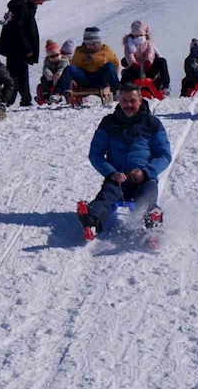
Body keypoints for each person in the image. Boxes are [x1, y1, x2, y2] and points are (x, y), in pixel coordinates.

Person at [78, 84, 172, 238]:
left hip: (144, 179)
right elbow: (95, 154)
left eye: (132, 101)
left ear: (140, 101)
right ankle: (92, 222)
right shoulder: (108, 123)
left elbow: (164, 155)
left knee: (147, 200)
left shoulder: (152, 123)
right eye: (124, 101)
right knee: (105, 198)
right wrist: (112, 173)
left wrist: (146, 173)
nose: (128, 105)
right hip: (117, 179)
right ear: (119, 101)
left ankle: (153, 227)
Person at [0, 0, 48, 106]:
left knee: (17, 74)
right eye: (42, 0)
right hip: (16, 48)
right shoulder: (21, 6)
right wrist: (27, 48)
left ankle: (17, 99)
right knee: (17, 74)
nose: (41, 4)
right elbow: (18, 29)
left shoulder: (25, 5)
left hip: (17, 47)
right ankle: (15, 99)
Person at [55, 27, 121, 97]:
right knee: (69, 68)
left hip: (100, 78)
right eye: (88, 44)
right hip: (85, 78)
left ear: (98, 42)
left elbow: (116, 63)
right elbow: (75, 66)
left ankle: (116, 91)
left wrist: (111, 80)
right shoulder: (79, 51)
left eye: (93, 44)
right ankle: (58, 93)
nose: (90, 46)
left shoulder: (105, 49)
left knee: (110, 65)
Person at [120, 20, 170, 93]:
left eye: (139, 35)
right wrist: (133, 63)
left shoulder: (148, 42)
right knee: (126, 74)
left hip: (148, 67)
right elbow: (129, 55)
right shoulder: (129, 44)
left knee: (162, 61)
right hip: (135, 68)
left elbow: (150, 52)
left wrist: (148, 61)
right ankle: (122, 90)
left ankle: (165, 86)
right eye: (136, 36)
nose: (138, 37)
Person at [37, 39, 69, 104]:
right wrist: (48, 73)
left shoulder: (63, 60)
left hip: (61, 79)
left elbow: (64, 67)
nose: (55, 58)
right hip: (51, 80)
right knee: (43, 78)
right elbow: (45, 68)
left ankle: (58, 94)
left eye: (56, 55)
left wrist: (59, 73)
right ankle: (45, 95)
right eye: (52, 56)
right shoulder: (47, 61)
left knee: (62, 79)